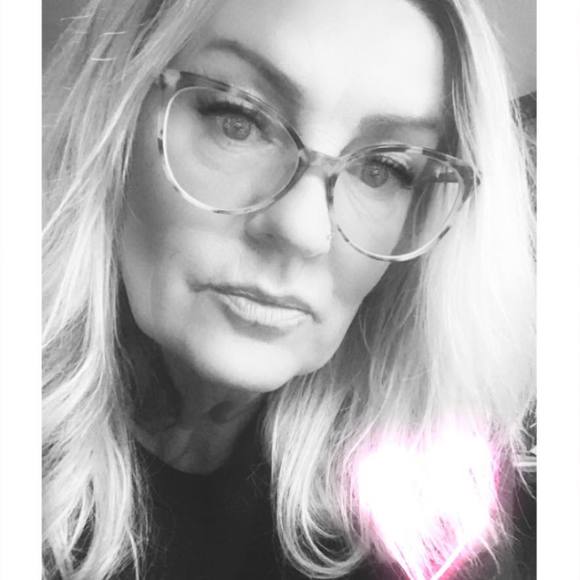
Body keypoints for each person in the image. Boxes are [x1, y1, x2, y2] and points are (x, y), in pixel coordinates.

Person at [42, 0, 536, 578]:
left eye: (382, 170)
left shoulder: (434, 525)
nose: (302, 231)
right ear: (115, 117)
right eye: (237, 120)